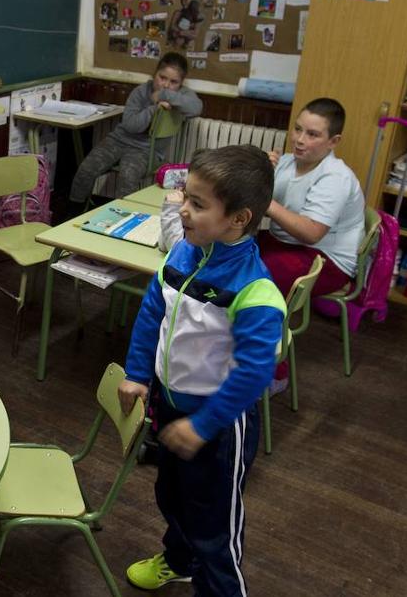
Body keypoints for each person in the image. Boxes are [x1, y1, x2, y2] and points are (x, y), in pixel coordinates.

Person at [118, 145, 285, 595]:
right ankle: (179, 560)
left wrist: (204, 425)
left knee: (215, 528)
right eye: (184, 197)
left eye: (197, 203)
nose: (182, 210)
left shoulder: (255, 289)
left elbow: (253, 374)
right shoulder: (181, 256)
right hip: (170, 408)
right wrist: (137, 373)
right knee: (171, 497)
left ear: (238, 219)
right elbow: (152, 313)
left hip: (217, 427)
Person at [261, 98, 365, 390]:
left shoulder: (335, 178)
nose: (299, 140)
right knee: (229, 253)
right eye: (297, 129)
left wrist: (266, 202)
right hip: (288, 243)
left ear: (334, 141)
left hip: (326, 258)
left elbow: (311, 233)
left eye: (312, 134)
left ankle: (275, 374)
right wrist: (263, 173)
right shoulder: (287, 163)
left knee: (259, 284)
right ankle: (227, 350)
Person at [68, 53, 200, 213]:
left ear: (181, 83)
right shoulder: (140, 92)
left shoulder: (183, 95)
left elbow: (196, 108)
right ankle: (73, 212)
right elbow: (131, 126)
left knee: (127, 177)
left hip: (147, 150)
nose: (166, 85)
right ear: (154, 74)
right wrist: (154, 109)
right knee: (87, 169)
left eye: (173, 82)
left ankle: (123, 218)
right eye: (162, 78)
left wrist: (164, 96)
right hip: (119, 140)